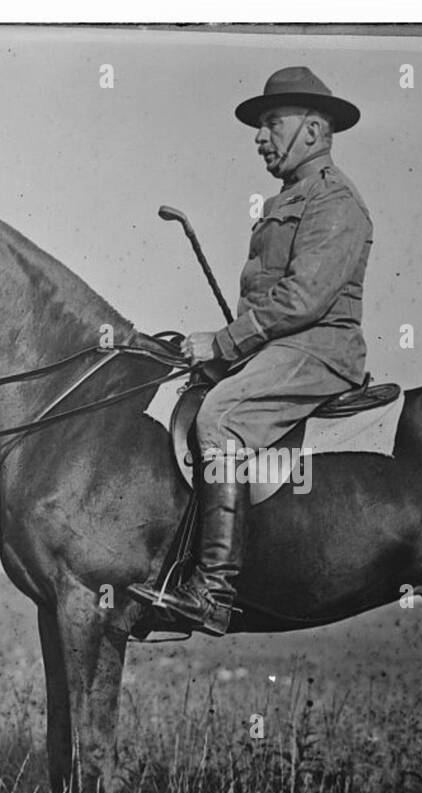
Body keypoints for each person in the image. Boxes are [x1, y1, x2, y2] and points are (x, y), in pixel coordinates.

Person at [130, 66, 373, 636]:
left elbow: (302, 300)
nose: (259, 138)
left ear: (313, 131)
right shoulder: (287, 199)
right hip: (283, 345)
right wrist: (219, 352)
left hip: (321, 349)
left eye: (271, 124)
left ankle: (212, 589)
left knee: (220, 417)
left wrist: (222, 342)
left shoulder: (336, 201)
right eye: (259, 128)